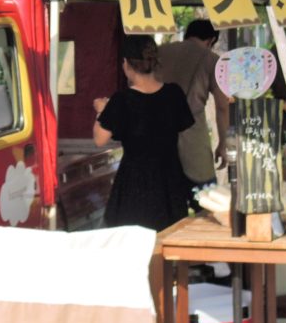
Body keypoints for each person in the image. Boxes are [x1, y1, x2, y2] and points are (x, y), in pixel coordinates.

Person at [93, 35, 195, 232]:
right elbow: (185, 128)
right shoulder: (174, 94)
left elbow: (99, 139)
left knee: (133, 240)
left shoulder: (122, 100)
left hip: (134, 181)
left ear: (126, 64)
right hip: (169, 177)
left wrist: (101, 110)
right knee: (170, 238)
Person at [157, 20, 231, 191]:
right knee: (205, 200)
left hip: (157, 138)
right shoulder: (211, 59)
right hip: (193, 139)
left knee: (167, 206)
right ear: (210, 40)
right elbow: (222, 106)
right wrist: (222, 143)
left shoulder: (160, 52)